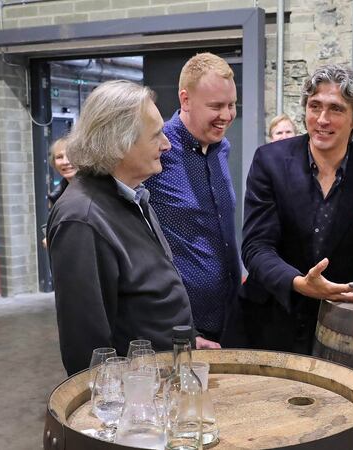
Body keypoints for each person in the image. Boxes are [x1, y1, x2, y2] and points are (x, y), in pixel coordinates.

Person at [47, 80, 218, 376]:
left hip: (164, 378)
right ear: (119, 142)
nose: (166, 145)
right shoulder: (83, 218)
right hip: (138, 402)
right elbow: (86, 349)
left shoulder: (133, 197)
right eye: (156, 136)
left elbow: (144, 296)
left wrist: (185, 342)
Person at [235, 64, 353, 354]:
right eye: (315, 106)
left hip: (339, 325)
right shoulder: (270, 161)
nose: (322, 120)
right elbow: (256, 247)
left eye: (336, 109)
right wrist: (298, 282)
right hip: (268, 319)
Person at [143, 53, 241, 342]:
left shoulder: (221, 147)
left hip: (228, 313)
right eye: (216, 106)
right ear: (185, 100)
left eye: (232, 105)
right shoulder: (156, 149)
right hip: (180, 325)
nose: (226, 115)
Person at [42, 137, 76, 248]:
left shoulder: (95, 191)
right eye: (59, 157)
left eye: (71, 155)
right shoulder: (57, 196)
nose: (66, 162)